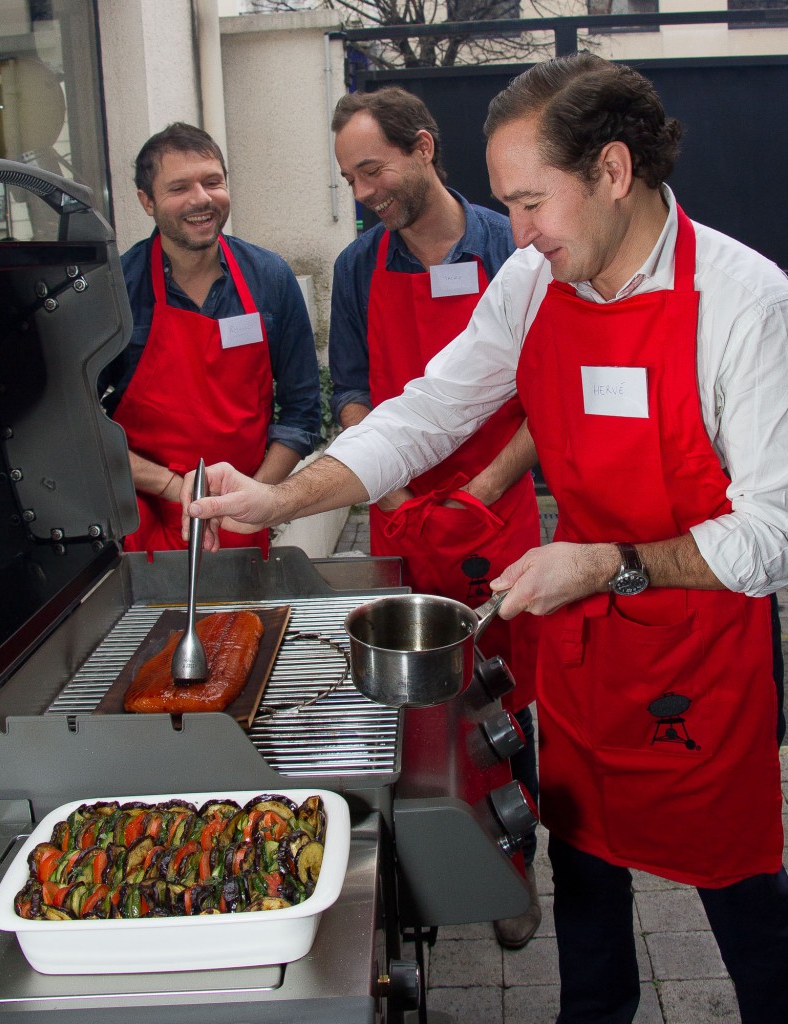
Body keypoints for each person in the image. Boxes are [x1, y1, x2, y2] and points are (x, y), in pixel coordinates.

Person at [182, 54, 788, 1024]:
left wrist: (607, 561)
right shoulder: (529, 283)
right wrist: (282, 496)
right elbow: (421, 414)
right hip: (585, 657)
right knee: (585, 883)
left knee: (739, 901)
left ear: (612, 171)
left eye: (530, 200)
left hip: (700, 662)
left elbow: (772, 534)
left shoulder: (743, 301)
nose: (523, 228)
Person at [328, 86, 542, 949]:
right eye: (348, 177)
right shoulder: (356, 266)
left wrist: (482, 489)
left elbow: (545, 392)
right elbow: (350, 390)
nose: (362, 192)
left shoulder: (509, 245)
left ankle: (513, 874)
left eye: (372, 168)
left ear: (423, 148)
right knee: (411, 713)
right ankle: (417, 875)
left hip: (494, 515)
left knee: (504, 704)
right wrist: (385, 491)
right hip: (400, 517)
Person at [100, 122, 321, 555]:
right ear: (147, 202)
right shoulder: (115, 291)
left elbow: (301, 412)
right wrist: (171, 487)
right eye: (179, 187)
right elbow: (83, 427)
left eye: (212, 182)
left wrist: (251, 497)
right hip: (141, 514)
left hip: (240, 515)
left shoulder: (270, 278)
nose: (201, 199)